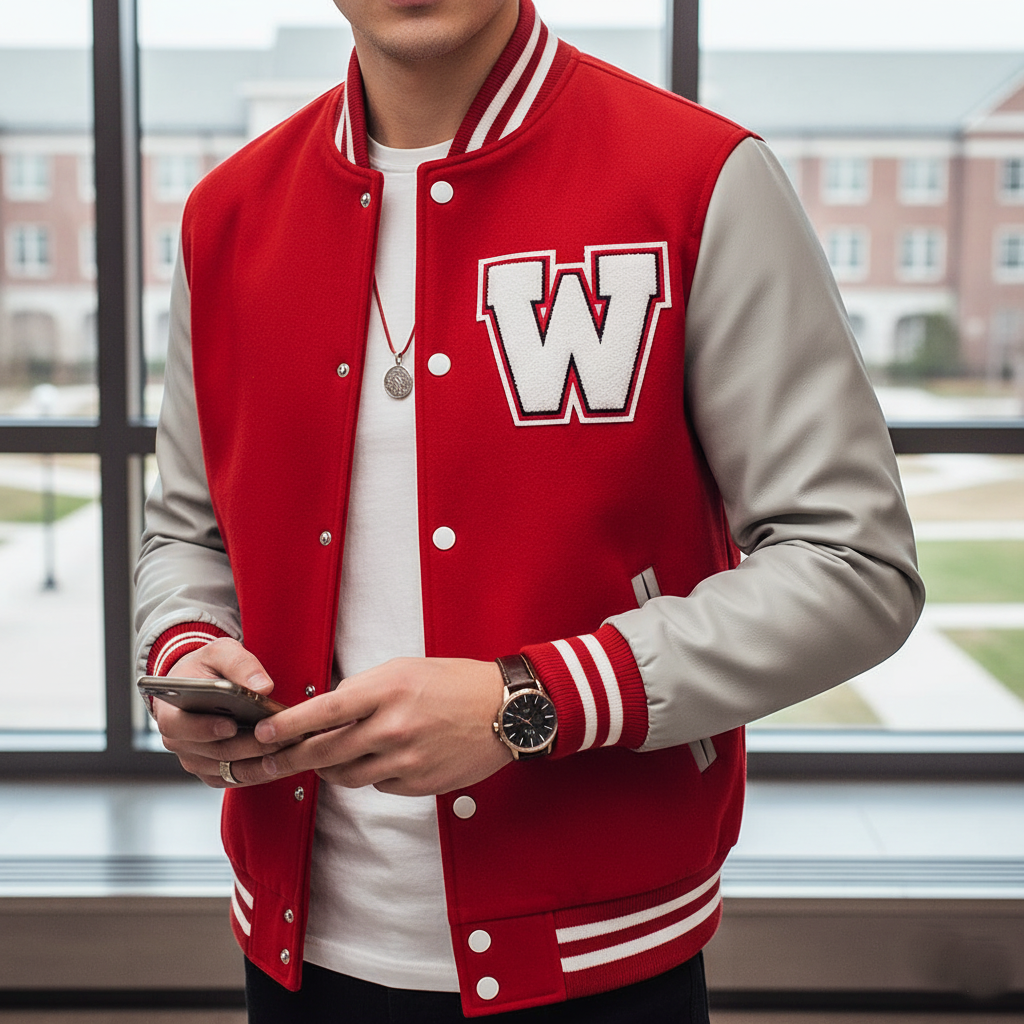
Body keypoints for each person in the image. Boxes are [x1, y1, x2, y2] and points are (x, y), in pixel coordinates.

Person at [134, 0, 925, 1020]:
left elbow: (854, 565)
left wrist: (527, 700)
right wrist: (192, 642)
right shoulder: (225, 214)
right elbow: (187, 531)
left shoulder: (700, 177)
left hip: (602, 951)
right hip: (296, 948)